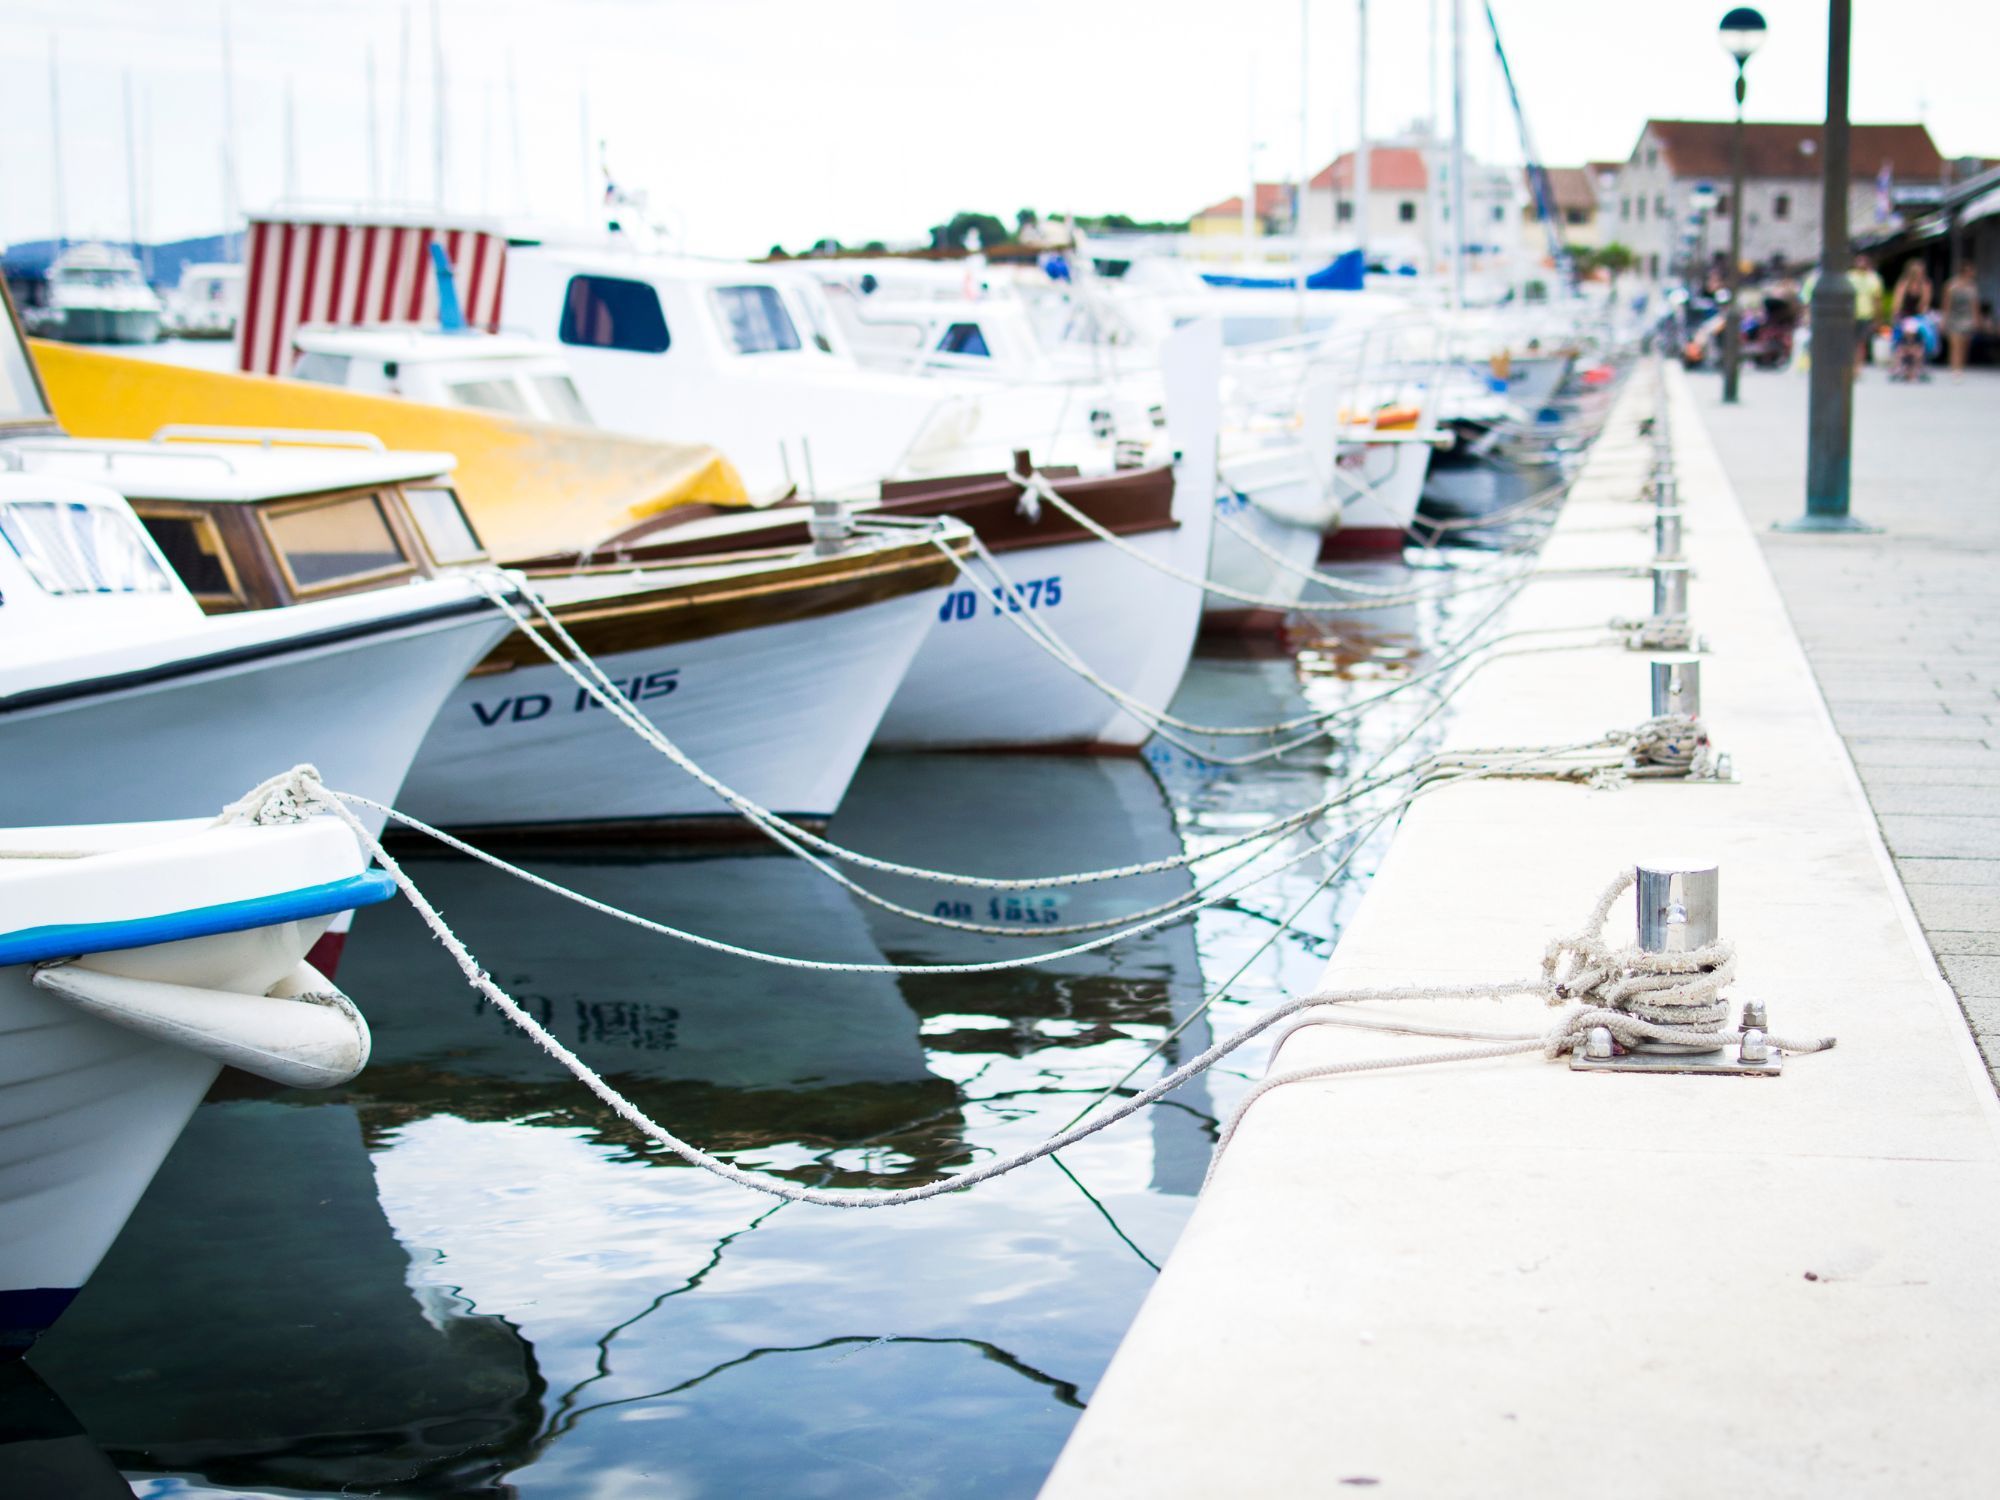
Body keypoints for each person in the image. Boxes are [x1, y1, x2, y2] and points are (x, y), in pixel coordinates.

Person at [1848, 253, 1885, 370]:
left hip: (1866, 314)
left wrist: (1878, 318)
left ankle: (1858, 367)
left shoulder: (1873, 279)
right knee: (1850, 342)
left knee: (1861, 342)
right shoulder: (1850, 277)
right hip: (1850, 315)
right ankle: (1850, 365)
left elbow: (1877, 300)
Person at [1943, 264, 1980, 380]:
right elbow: (1946, 304)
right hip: (1954, 317)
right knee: (1955, 344)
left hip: (1967, 318)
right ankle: (1955, 369)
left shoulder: (1972, 287)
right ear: (1965, 272)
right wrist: (1944, 319)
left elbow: (1974, 305)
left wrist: (1976, 319)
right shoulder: (1951, 285)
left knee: (1964, 344)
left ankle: (1960, 367)